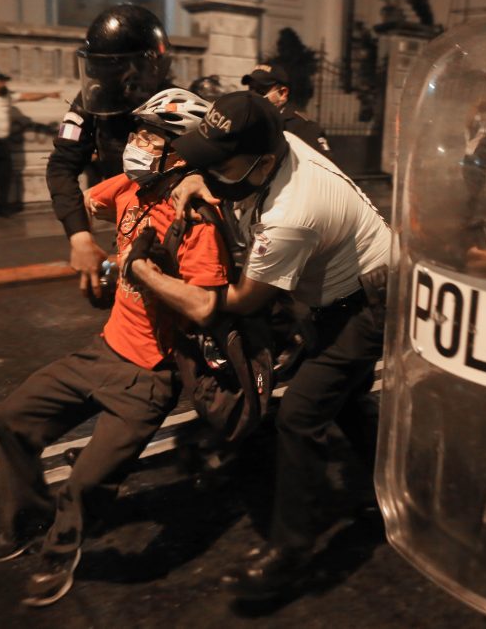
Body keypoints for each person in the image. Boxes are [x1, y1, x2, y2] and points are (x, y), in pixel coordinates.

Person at [0, 88, 228, 608]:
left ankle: (60, 551)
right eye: (136, 133)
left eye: (148, 137)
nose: (134, 145)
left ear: (180, 153)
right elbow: (79, 198)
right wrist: (84, 245)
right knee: (11, 419)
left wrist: (140, 267)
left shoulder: (197, 219)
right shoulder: (131, 186)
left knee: (85, 484)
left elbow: (205, 307)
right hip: (102, 351)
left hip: (148, 379)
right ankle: (29, 518)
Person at [161, 91, 392, 598]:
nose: (211, 169)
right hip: (337, 293)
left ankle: (291, 550)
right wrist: (200, 175)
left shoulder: (292, 211)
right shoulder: (273, 146)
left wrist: (192, 295)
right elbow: (228, 177)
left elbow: (244, 299)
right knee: (348, 400)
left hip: (366, 304)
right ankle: (393, 492)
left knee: (301, 416)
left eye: (220, 162)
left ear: (262, 162)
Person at [47, 4, 173, 305]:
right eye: (102, 66)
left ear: (147, 66)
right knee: (103, 290)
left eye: (116, 66)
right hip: (126, 223)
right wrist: (79, 236)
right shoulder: (93, 100)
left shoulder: (177, 105)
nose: (106, 77)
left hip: (172, 226)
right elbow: (61, 167)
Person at [0, 69, 60, 220]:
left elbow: (27, 97)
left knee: (4, 176)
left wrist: (47, 94)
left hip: (3, 144)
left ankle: (2, 207)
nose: (4, 84)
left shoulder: (7, 96)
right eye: (2, 81)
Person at [241, 62, 332, 157]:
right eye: (251, 89)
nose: (253, 95)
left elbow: (325, 167)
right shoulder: (244, 121)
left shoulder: (305, 128)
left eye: (260, 90)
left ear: (282, 93)